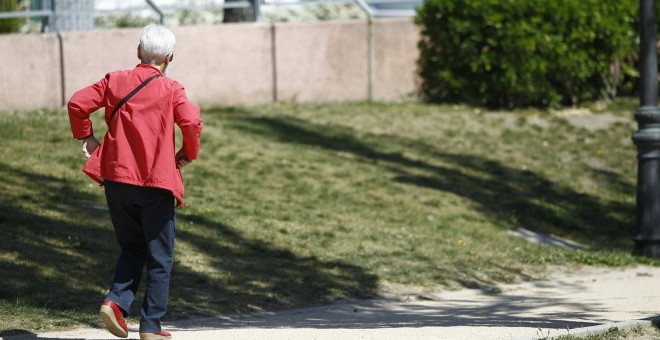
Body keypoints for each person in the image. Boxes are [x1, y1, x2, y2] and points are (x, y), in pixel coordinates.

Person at [67, 23, 202, 340]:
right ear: (169, 57)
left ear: (139, 51)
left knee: (131, 246)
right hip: (154, 184)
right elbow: (192, 120)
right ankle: (151, 327)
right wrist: (188, 153)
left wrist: (86, 135)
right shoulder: (172, 89)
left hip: (116, 180)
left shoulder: (114, 80)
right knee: (160, 256)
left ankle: (115, 302)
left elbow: (77, 103)